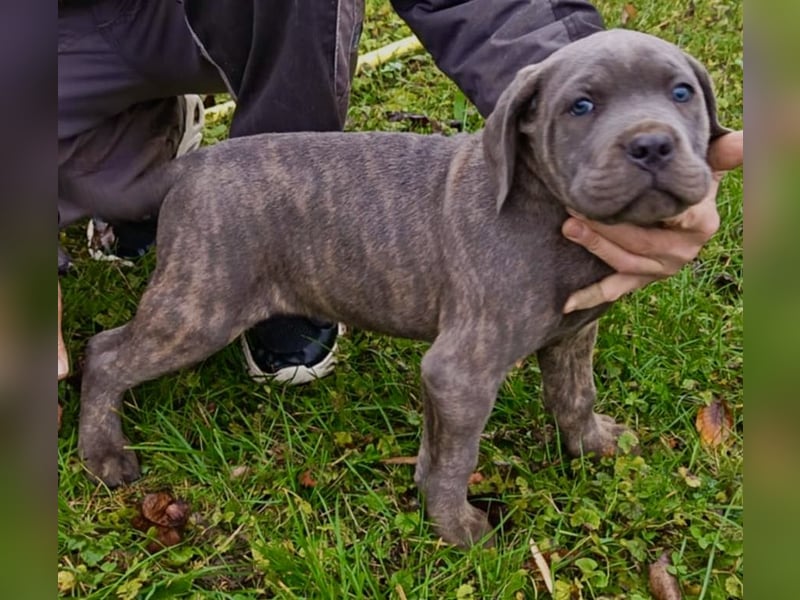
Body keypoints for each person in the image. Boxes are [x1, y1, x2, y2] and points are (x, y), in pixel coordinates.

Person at [57, 1, 743, 397]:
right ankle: (135, 168)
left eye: (680, 96)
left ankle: (215, 208)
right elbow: (452, 372)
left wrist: (587, 81)